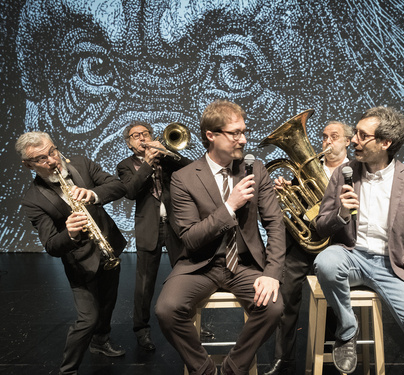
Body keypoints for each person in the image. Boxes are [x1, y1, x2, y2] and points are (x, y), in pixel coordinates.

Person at [155, 99, 286, 375]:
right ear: (211, 135)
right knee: (166, 310)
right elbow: (190, 238)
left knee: (273, 308)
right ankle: (204, 371)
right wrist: (230, 206)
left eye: (244, 131)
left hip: (244, 265)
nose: (244, 139)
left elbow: (275, 223)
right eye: (235, 133)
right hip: (200, 265)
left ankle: (231, 370)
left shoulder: (256, 169)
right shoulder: (184, 178)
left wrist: (272, 272)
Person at [313, 106, 404, 374]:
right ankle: (347, 330)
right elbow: (319, 226)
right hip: (351, 256)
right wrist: (339, 214)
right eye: (356, 134)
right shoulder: (344, 172)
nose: (354, 141)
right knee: (325, 262)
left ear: (386, 143)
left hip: (392, 268)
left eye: (362, 135)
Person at [16, 131, 127, 375]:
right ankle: (68, 369)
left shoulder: (81, 164)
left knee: (108, 305)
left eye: (53, 151)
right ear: (27, 165)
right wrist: (71, 233)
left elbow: (118, 186)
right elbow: (52, 245)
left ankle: (101, 342)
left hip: (109, 248)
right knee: (88, 319)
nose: (53, 161)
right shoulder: (33, 200)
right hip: (79, 262)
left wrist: (94, 194)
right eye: (42, 159)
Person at [265, 120, 352, 375]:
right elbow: (298, 206)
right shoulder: (304, 170)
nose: (327, 142)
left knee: (333, 292)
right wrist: (287, 190)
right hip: (305, 241)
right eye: (324, 137)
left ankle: (331, 350)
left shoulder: (355, 173)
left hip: (338, 241)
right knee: (286, 292)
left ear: (348, 141)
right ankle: (284, 358)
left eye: (334, 137)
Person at [116, 120, 191, 351]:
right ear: (129, 144)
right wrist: (147, 165)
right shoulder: (125, 165)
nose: (141, 138)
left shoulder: (166, 159)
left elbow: (192, 169)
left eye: (145, 133)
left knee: (186, 276)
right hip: (149, 227)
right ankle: (141, 330)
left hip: (176, 226)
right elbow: (130, 191)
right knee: (144, 283)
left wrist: (166, 154)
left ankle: (191, 322)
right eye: (135, 135)